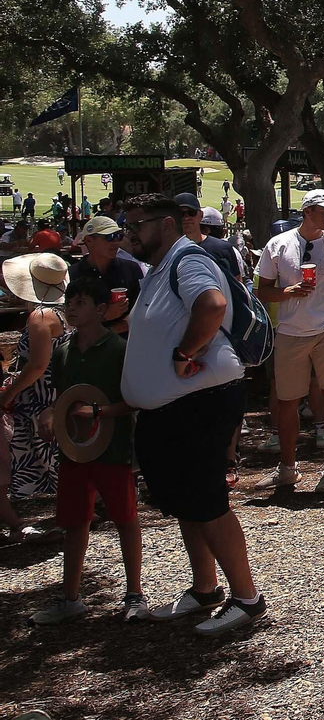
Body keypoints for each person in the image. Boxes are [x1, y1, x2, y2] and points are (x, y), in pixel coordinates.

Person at [118, 193, 265, 634]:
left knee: (206, 500)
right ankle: (205, 589)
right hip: (173, 408)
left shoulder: (188, 259)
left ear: (165, 225)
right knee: (187, 501)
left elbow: (213, 304)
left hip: (200, 402)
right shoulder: (161, 268)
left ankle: (248, 598)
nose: (129, 235)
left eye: (136, 226)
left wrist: (186, 351)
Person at [29, 277, 149, 624]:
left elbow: (134, 400)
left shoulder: (119, 350)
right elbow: (60, 398)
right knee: (75, 521)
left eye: (81, 302)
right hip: (73, 451)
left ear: (100, 310)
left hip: (112, 449)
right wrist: (50, 415)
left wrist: (100, 412)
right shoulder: (63, 351)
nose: (72, 308)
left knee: (125, 518)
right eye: (70, 302)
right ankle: (70, 597)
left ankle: (134, 593)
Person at [254, 189, 324, 494]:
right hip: (290, 331)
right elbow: (262, 291)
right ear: (307, 211)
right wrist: (288, 292)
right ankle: (288, 468)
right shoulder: (278, 245)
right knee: (287, 402)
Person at [0, 250, 69, 543]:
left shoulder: (40, 316)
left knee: (45, 456)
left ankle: (74, 516)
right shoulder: (62, 312)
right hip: (54, 392)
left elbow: (38, 365)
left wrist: (10, 393)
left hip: (40, 397)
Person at [67, 214, 144, 334]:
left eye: (118, 236)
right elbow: (70, 320)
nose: (115, 242)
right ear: (89, 240)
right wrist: (105, 317)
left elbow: (143, 309)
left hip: (127, 346)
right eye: (109, 237)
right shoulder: (73, 274)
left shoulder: (131, 269)